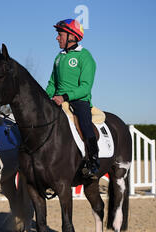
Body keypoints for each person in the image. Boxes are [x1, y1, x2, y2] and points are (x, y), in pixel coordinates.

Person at [45, 19, 99, 179]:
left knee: (84, 122)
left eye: (60, 35)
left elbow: (85, 87)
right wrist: (45, 98)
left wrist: (65, 97)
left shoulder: (85, 56)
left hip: (79, 101)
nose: (57, 38)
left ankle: (93, 162)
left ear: (71, 36)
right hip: (58, 100)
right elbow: (52, 83)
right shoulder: (58, 57)